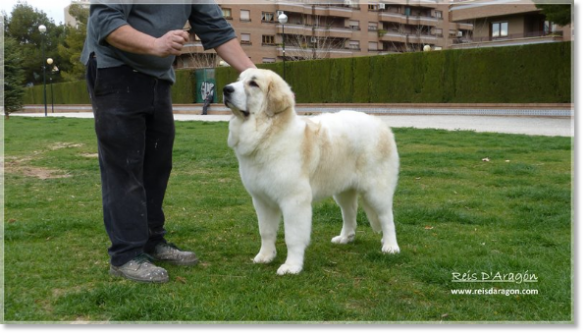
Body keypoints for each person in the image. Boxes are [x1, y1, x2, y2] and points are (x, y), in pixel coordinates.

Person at [81, 3, 256, 283]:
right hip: (115, 72)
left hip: (158, 77)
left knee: (157, 165)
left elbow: (218, 29)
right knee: (125, 167)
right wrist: (155, 44)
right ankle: (126, 255)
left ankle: (151, 240)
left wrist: (256, 77)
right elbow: (104, 21)